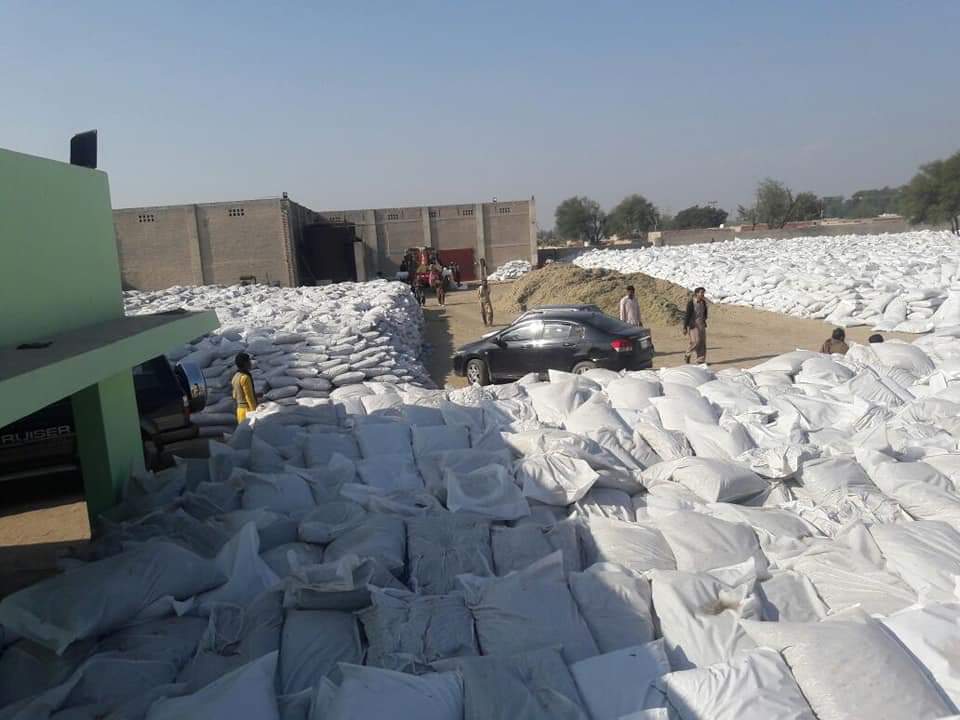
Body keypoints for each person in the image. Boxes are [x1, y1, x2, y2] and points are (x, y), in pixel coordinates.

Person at [683, 287, 708, 364]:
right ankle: (687, 353)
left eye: (703, 293)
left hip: (701, 324)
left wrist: (704, 320)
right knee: (696, 341)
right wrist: (685, 327)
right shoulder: (691, 303)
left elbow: (705, 313)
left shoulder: (703, 302)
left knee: (702, 342)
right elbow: (687, 315)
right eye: (701, 293)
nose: (702, 294)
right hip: (693, 325)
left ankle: (700, 360)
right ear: (696, 293)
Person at [231, 352, 258, 424]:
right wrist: (255, 412)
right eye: (249, 361)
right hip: (247, 411)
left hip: (239, 411)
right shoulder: (245, 377)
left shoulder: (235, 377)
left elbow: (234, 395)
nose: (251, 363)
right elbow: (249, 398)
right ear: (245, 363)